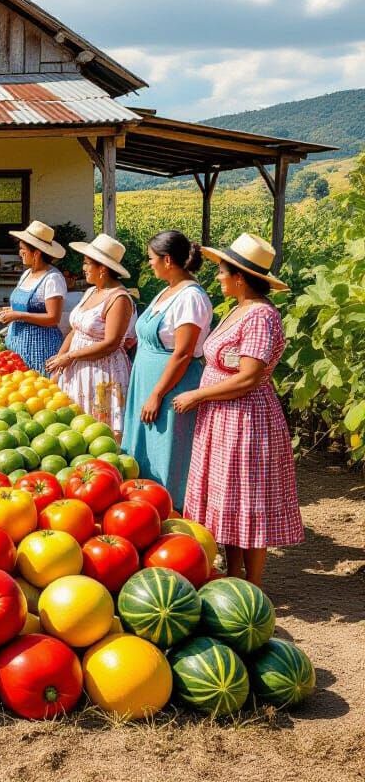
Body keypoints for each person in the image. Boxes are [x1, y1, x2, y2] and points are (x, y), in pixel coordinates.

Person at [174, 233, 304, 586]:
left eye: (221, 271)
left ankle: (253, 584)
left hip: (246, 418)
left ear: (240, 277)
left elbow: (249, 377)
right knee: (230, 499)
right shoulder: (239, 310)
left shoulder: (260, 316)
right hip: (226, 417)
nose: (217, 277)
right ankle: (234, 578)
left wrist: (199, 396)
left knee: (248, 500)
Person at [121, 231, 213, 509]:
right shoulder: (167, 291)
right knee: (146, 451)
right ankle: (145, 510)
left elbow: (183, 352)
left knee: (169, 453)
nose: (149, 263)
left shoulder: (191, 298)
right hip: (148, 382)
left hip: (173, 385)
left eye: (152, 258)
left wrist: (157, 394)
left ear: (168, 259)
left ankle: (173, 512)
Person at [47, 233, 136, 436]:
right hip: (78, 368)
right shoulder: (91, 292)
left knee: (101, 433)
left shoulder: (119, 298)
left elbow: (111, 343)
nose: (84, 268)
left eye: (87, 263)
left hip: (102, 372)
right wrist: (61, 359)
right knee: (75, 430)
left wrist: (69, 357)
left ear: (102, 268)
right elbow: (76, 329)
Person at [0, 221, 67, 371]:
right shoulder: (27, 274)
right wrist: (9, 311)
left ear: (37, 253)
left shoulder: (52, 279)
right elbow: (29, 306)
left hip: (40, 348)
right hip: (16, 344)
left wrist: (17, 315)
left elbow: (53, 318)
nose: (20, 253)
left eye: (23, 249)